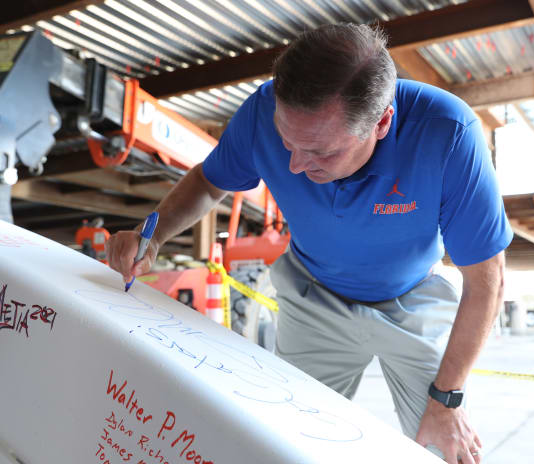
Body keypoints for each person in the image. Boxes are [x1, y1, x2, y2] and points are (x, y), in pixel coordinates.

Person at [107, 23, 512, 464]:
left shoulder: (448, 134)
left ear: (382, 123)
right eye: (287, 140)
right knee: (284, 441)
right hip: (313, 295)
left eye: (320, 151)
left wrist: (447, 399)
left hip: (411, 299)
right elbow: (208, 181)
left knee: (442, 446)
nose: (296, 164)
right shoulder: (260, 112)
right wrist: (153, 234)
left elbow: (486, 279)